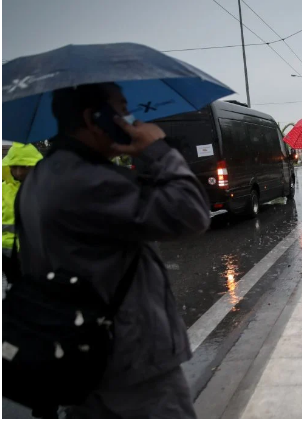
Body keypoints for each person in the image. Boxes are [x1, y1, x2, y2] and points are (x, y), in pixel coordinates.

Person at [15, 83, 210, 418]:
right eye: (121, 110)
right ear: (95, 118)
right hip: (130, 363)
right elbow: (191, 213)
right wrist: (157, 150)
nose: (130, 119)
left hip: (77, 353)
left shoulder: (40, 177)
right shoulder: (89, 180)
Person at [2, 142, 43, 288]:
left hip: (36, 252)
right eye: (14, 166)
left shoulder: (44, 188)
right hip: (7, 254)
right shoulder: (2, 190)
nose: (18, 172)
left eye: (24, 166)